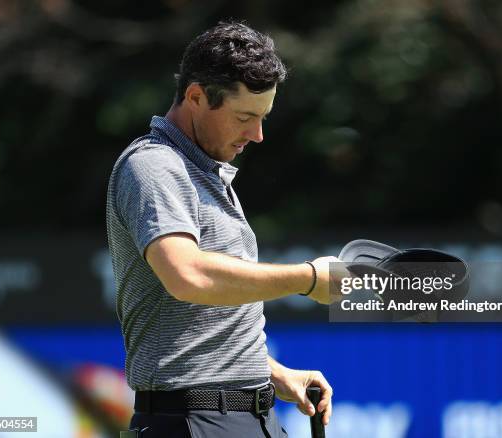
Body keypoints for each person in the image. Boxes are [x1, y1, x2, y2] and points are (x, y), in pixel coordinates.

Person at [106, 21, 339, 438]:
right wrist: (309, 279)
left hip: (244, 417)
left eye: (263, 117)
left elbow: (199, 319)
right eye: (245, 117)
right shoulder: (154, 165)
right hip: (191, 422)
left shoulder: (206, 173)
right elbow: (188, 276)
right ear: (195, 96)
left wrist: (271, 373)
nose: (258, 134)